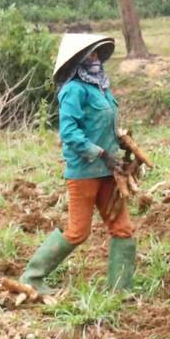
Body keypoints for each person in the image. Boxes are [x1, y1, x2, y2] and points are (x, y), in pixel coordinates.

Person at [20, 33, 136, 293]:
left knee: (122, 228)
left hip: (109, 172)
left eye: (96, 53)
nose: (94, 59)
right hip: (84, 172)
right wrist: (101, 153)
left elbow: (105, 124)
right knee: (77, 232)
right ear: (78, 60)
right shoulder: (73, 90)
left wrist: (121, 142)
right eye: (89, 55)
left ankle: (121, 290)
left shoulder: (101, 87)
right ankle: (32, 277)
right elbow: (69, 133)